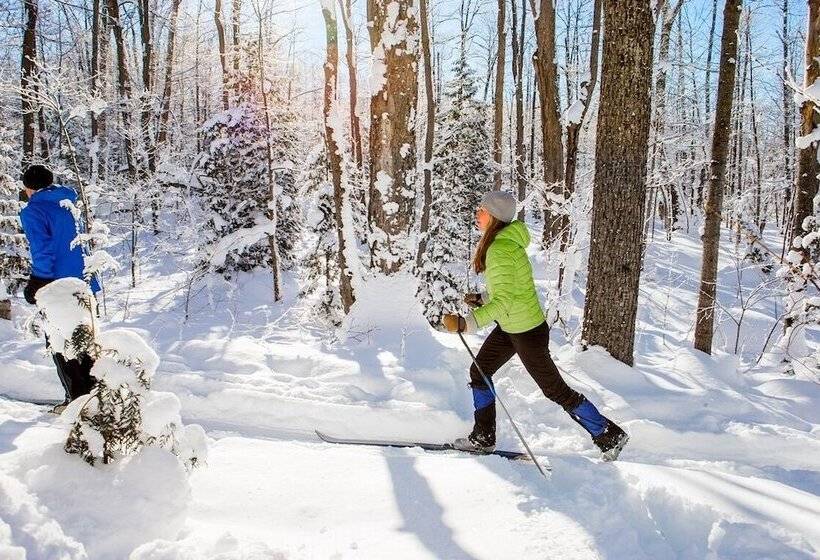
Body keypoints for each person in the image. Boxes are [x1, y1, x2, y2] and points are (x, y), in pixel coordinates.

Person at [441, 190, 629, 461]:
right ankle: (483, 438)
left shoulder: (500, 249)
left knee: (554, 390)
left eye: (481, 210)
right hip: (512, 326)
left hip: (526, 332)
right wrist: (482, 298)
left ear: (493, 217)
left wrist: (465, 324)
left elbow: (505, 300)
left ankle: (609, 435)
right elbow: (513, 290)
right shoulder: (505, 243)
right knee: (479, 371)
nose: (477, 214)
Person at [19, 164, 98, 411]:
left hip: (58, 285)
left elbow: (43, 250)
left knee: (60, 340)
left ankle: (76, 403)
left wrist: (37, 281)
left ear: (29, 188)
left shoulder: (34, 210)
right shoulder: (69, 203)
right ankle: (94, 398)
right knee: (85, 341)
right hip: (85, 281)